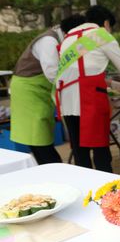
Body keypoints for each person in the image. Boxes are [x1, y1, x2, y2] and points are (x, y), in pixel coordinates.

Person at [55, 5, 120, 173]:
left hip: (67, 100)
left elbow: (79, 71)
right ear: (106, 23)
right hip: (90, 97)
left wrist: (111, 84)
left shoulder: (68, 37)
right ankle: (106, 190)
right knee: (100, 149)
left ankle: (85, 190)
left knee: (79, 151)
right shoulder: (102, 35)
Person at [10, 15, 86, 164]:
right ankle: (51, 167)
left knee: (43, 132)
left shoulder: (60, 39)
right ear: (70, 33)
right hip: (28, 90)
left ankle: (50, 165)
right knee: (37, 134)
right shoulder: (49, 41)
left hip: (41, 89)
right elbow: (52, 73)